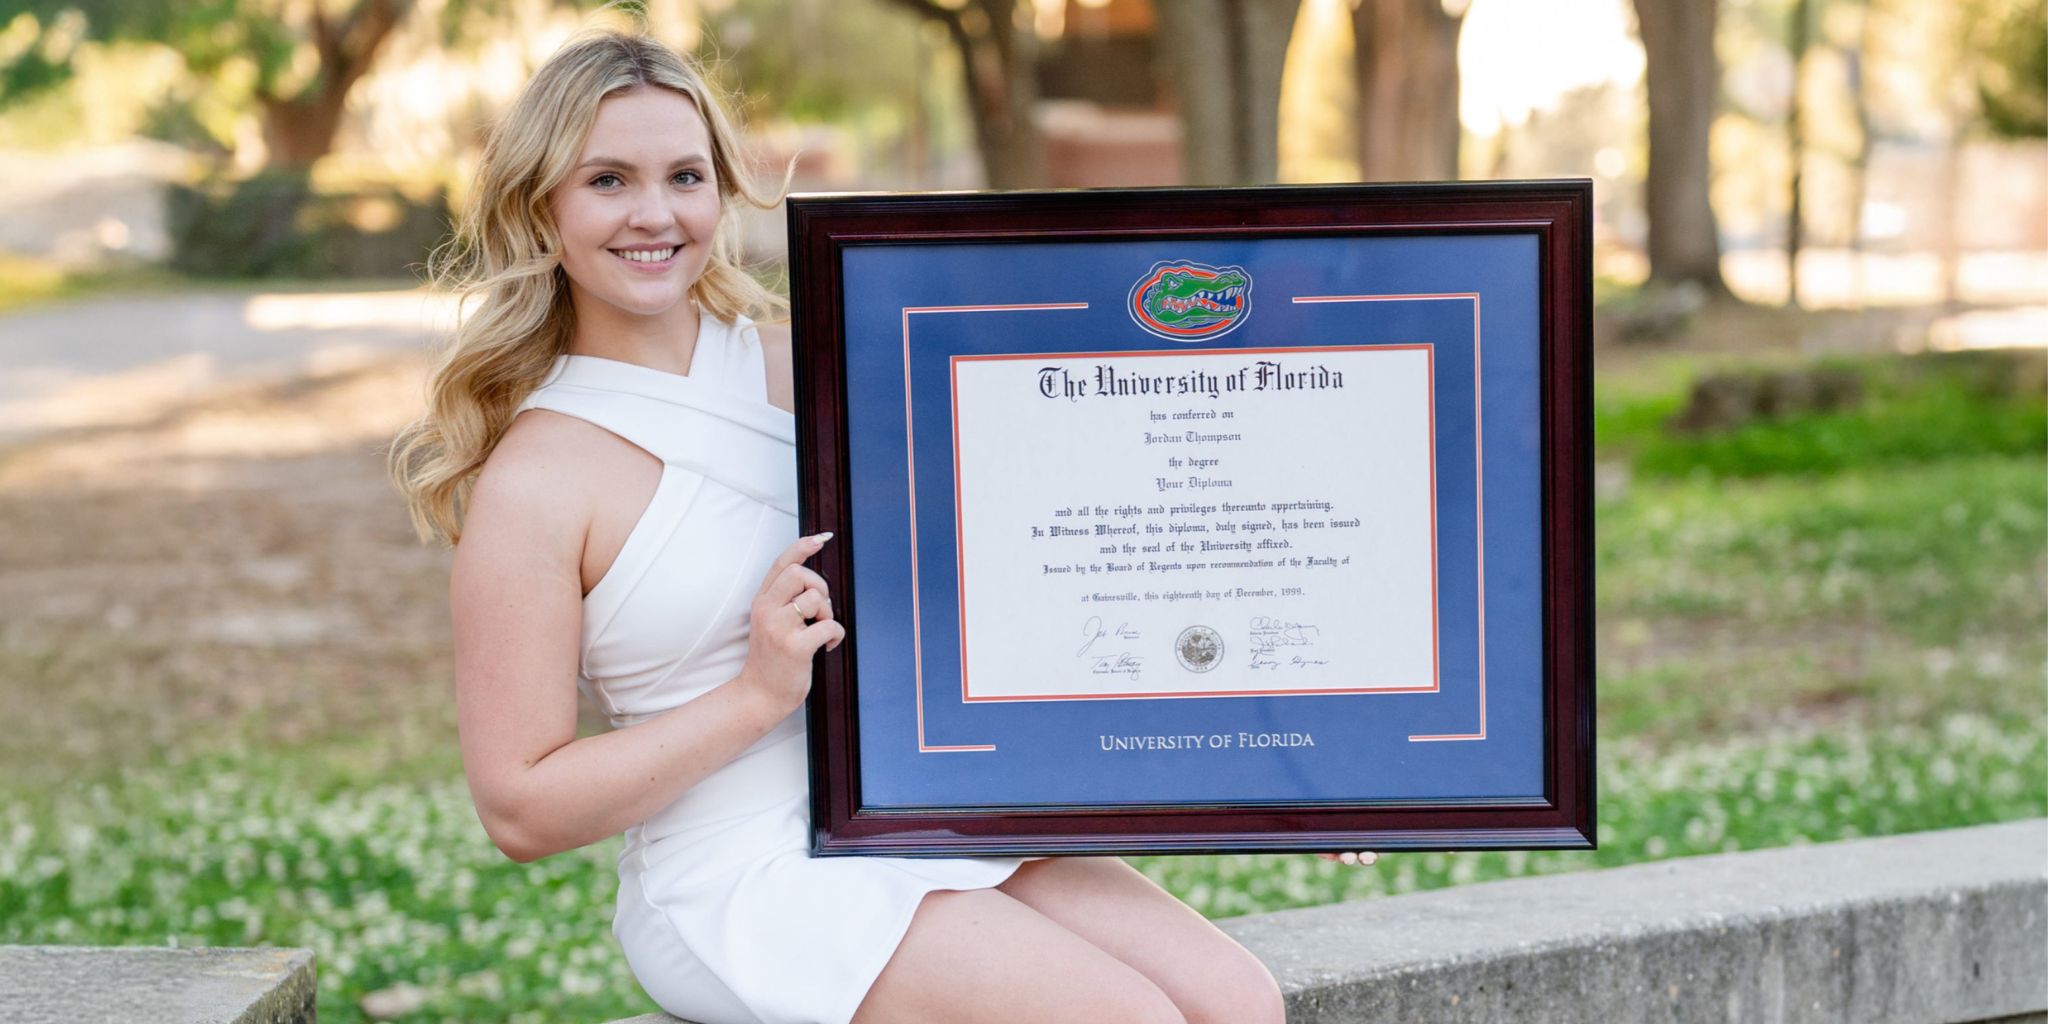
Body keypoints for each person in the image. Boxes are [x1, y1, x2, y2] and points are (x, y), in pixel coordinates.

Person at [392, 22, 1367, 1024]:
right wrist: (755, 694)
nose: (654, 213)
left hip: (922, 803)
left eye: (684, 175)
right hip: (741, 864)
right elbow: (518, 807)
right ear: (540, 204)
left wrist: (1293, 765)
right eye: (607, 180)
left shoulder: (833, 355)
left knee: (1237, 1001)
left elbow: (1074, 554)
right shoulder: (536, 480)